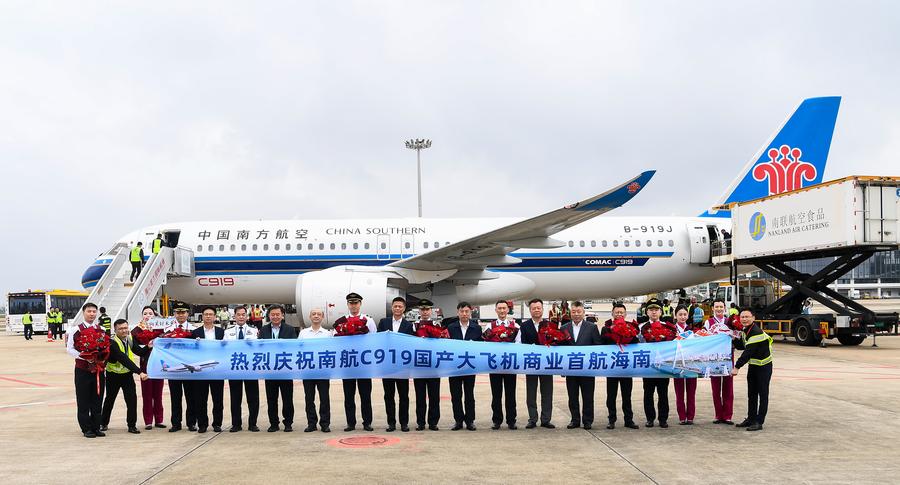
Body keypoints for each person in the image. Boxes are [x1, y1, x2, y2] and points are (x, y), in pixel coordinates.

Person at [333, 292, 377, 432]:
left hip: (363, 363)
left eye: (356, 303)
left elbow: (374, 340)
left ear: (360, 304)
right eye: (351, 303)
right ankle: (350, 423)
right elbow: (336, 340)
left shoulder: (368, 320)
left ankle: (367, 422)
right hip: (348, 363)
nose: (353, 305)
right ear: (347, 305)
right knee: (349, 395)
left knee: (365, 395)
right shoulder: (341, 321)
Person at [100, 319, 150, 434]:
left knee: (131, 400)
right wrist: (139, 372)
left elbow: (139, 352)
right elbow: (123, 359)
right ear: (115, 330)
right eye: (121, 329)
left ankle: (132, 425)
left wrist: (148, 346)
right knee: (109, 400)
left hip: (127, 375)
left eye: (125, 328)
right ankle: (103, 423)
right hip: (113, 375)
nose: (124, 331)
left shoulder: (130, 338)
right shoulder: (112, 342)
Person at [66, 302, 105, 438]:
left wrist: (100, 356)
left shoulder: (101, 329)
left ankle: (96, 426)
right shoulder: (76, 330)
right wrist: (85, 357)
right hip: (82, 370)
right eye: (89, 311)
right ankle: (86, 428)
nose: (92, 314)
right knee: (83, 400)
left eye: (94, 311)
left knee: (97, 399)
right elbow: (70, 349)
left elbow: (105, 347)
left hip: (98, 370)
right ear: (83, 312)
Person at [561, 301, 602, 430]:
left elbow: (598, 347)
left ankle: (588, 421)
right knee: (572, 396)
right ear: (570, 313)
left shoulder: (592, 327)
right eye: (574, 312)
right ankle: (575, 420)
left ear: (584, 313)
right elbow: (561, 349)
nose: (576, 314)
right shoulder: (564, 328)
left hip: (587, 370)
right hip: (571, 370)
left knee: (588, 396)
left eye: (579, 312)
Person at [733, 307, 774, 432]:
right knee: (751, 394)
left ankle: (759, 421)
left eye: (747, 317)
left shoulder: (756, 332)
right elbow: (742, 346)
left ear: (753, 318)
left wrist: (736, 367)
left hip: (764, 367)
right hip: (754, 366)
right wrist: (733, 339)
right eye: (742, 317)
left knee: (763, 394)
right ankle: (751, 418)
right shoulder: (746, 330)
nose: (744, 319)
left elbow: (747, 353)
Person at [377, 296, 414, 432]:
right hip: (387, 366)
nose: (397, 308)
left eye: (400, 306)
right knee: (389, 395)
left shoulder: (409, 325)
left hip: (403, 367)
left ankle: (404, 423)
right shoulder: (383, 322)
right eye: (395, 306)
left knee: (404, 396)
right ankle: (391, 423)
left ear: (404, 309)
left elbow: (410, 345)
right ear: (392, 308)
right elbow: (379, 341)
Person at [600, 302, 640, 430]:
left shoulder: (630, 327)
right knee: (611, 396)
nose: (619, 314)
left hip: (626, 367)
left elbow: (636, 343)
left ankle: (629, 419)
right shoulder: (606, 328)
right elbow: (602, 343)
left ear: (625, 314)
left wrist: (628, 334)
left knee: (627, 395)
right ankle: (611, 420)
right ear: (612, 313)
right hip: (612, 367)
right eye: (617, 312)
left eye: (621, 313)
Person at [640, 298, 676, 428]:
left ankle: (663, 419)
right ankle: (650, 418)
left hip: (663, 366)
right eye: (651, 310)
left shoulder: (668, 327)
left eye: (656, 310)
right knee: (648, 393)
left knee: (663, 393)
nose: (654, 312)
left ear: (661, 312)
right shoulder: (641, 328)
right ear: (647, 312)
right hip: (648, 366)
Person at [260, 304, 297, 432]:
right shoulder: (263, 330)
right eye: (273, 314)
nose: (275, 317)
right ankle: (274, 423)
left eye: (278, 314)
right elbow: (260, 348)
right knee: (271, 399)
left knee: (287, 398)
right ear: (269, 315)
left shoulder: (290, 329)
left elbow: (293, 348)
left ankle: (288, 423)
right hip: (269, 370)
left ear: (282, 315)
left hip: (285, 369)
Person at [223, 305, 260, 432]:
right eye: (238, 314)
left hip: (250, 369)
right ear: (234, 316)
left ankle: (253, 423)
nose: (241, 317)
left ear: (247, 316)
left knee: (253, 398)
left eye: (243, 314)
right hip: (234, 369)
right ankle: (236, 424)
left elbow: (259, 348)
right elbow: (223, 349)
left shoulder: (254, 331)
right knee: (235, 398)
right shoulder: (228, 332)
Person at [520, 298, 555, 429]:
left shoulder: (549, 324)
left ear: (542, 309)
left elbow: (555, 342)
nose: (536, 310)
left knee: (547, 392)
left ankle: (546, 419)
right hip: (532, 363)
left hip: (546, 364)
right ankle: (532, 419)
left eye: (538, 308)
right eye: (533, 308)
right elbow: (522, 344)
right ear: (530, 310)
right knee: (531, 393)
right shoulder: (524, 326)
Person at [447, 301, 481, 431]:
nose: (464, 314)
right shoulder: (451, 327)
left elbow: (481, 346)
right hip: (454, 367)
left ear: (470, 312)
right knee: (456, 395)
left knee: (469, 395)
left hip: (469, 366)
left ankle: (470, 421)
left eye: (467, 311)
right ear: (458, 312)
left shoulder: (476, 328)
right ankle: (458, 421)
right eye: (462, 311)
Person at [298, 308, 333, 433]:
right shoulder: (303, 333)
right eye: (314, 314)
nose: (316, 316)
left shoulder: (328, 334)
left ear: (322, 317)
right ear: (310, 316)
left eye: (319, 314)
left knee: (324, 398)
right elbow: (298, 350)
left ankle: (325, 423)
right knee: (309, 398)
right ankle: (311, 423)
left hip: (323, 370)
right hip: (308, 370)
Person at [191, 306, 225, 433]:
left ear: (215, 317)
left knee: (217, 399)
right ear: (202, 317)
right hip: (201, 371)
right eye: (206, 314)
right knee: (200, 399)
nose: (208, 316)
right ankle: (202, 424)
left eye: (211, 314)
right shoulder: (195, 333)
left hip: (217, 370)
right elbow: (191, 351)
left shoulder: (221, 332)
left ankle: (217, 424)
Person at [488, 299, 520, 430]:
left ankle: (511, 420)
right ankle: (497, 420)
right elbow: (486, 344)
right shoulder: (490, 326)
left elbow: (519, 344)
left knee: (510, 394)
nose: (502, 311)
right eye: (499, 308)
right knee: (496, 394)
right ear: (496, 310)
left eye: (504, 308)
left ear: (508, 310)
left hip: (509, 364)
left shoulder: (515, 326)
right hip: (495, 365)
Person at [132, 306, 165, 430]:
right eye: (145, 313)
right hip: (145, 365)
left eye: (150, 313)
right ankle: (148, 421)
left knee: (158, 393)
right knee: (146, 394)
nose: (148, 315)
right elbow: (136, 350)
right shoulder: (136, 330)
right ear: (142, 316)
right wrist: (148, 346)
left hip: (158, 364)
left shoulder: (160, 329)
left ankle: (159, 419)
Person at [167, 301, 198, 432]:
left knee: (191, 397)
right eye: (178, 312)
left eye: (183, 312)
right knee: (175, 397)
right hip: (174, 369)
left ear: (188, 313)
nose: (180, 315)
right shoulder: (167, 330)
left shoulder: (194, 330)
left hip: (189, 369)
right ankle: (176, 423)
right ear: (174, 314)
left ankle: (191, 422)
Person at [705, 299, 736, 425]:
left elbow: (737, 337)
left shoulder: (731, 322)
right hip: (714, 358)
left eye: (721, 307)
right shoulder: (708, 322)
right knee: (715, 387)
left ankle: (727, 415)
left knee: (728, 387)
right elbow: (705, 339)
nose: (719, 309)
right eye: (716, 307)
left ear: (724, 308)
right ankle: (718, 415)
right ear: (712, 308)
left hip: (728, 357)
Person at [412, 299, 442, 431]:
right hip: (419, 366)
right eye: (422, 309)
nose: (424, 312)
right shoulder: (413, 325)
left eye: (427, 309)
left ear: (431, 310)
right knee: (420, 396)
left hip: (434, 366)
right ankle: (421, 422)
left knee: (434, 396)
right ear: (419, 311)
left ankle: (433, 422)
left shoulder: (437, 324)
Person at [672, 306, 697, 425]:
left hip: (691, 364)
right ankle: (682, 416)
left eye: (684, 314)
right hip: (677, 364)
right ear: (675, 316)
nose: (682, 317)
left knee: (691, 392)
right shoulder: (671, 329)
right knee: (679, 393)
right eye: (680, 314)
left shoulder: (693, 329)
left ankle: (691, 416)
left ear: (688, 316)